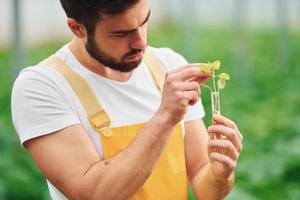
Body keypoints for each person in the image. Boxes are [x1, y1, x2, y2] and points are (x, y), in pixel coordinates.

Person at [11, 0, 243, 199]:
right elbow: (93, 193)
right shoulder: (43, 86)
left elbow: (206, 188)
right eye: (121, 33)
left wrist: (220, 173)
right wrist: (164, 118)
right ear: (77, 28)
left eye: (144, 21)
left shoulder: (168, 66)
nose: (141, 42)